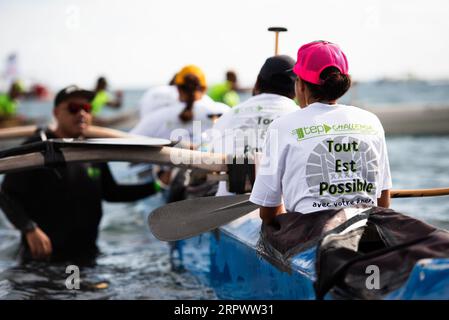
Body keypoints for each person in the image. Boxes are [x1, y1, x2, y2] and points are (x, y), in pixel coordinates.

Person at [0, 85, 160, 262]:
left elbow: (112, 192)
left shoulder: (93, 150)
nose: (81, 113)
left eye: (87, 108)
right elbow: (6, 194)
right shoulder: (37, 148)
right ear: (56, 112)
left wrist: (157, 185)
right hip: (43, 261)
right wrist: (29, 228)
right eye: (74, 108)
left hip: (86, 257)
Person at [249, 40, 392, 225]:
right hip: (366, 229)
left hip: (310, 235)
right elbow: (384, 203)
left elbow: (268, 213)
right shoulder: (371, 121)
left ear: (300, 85)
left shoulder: (281, 127)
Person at [207, 55, 299, 196]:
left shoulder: (226, 117)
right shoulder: (300, 117)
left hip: (227, 211)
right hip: (283, 211)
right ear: (297, 89)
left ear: (257, 83)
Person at [131, 65, 230, 146]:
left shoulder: (158, 117)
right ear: (204, 89)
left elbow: (131, 139)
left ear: (176, 88)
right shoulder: (224, 112)